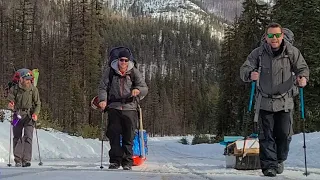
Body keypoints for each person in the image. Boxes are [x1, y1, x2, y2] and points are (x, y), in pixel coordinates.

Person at [240, 23, 309, 177]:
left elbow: (302, 68)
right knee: (266, 136)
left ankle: (279, 159)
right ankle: (269, 166)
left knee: (284, 134)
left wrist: (302, 78)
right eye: (271, 35)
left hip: (284, 100)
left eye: (277, 35)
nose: (274, 38)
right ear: (266, 37)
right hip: (264, 100)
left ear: (282, 36)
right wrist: (250, 74)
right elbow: (244, 69)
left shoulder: (292, 52)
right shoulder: (258, 54)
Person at [98, 49, 148, 170]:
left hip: (130, 108)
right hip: (114, 107)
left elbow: (144, 88)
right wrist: (103, 100)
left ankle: (127, 162)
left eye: (126, 60)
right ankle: (115, 161)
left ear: (128, 61)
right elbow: (102, 87)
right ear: (118, 60)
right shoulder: (110, 71)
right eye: (121, 60)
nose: (123, 62)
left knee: (128, 135)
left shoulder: (134, 72)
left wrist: (138, 91)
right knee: (114, 134)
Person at [7, 68, 41, 167]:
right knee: (17, 137)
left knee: (28, 136)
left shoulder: (33, 89)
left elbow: (38, 103)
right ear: (21, 79)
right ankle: (18, 160)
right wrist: (10, 105)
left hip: (29, 115)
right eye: (27, 79)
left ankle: (26, 160)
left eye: (30, 79)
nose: (29, 81)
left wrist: (36, 113)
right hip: (16, 115)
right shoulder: (14, 89)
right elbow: (10, 101)